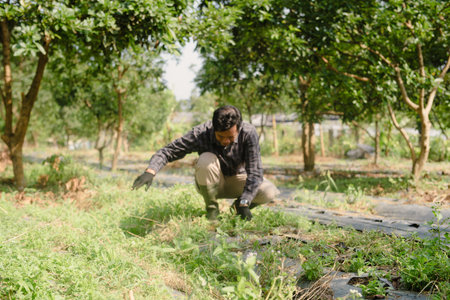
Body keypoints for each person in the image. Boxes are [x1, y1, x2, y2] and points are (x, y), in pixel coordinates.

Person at [132, 105, 279, 221]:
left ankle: (237, 207)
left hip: (237, 179)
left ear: (239, 128)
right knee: (205, 159)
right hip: (210, 182)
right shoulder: (200, 133)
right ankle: (212, 213)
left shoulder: (249, 132)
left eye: (230, 137)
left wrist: (245, 201)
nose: (225, 141)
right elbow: (168, 151)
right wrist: (150, 172)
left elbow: (255, 171)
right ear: (214, 128)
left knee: (269, 191)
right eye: (220, 136)